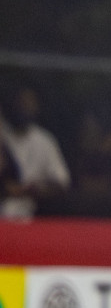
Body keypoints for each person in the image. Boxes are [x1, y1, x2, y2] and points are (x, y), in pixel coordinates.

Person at [0, 88, 71, 220]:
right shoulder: (3, 135)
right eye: (20, 104)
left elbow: (62, 184)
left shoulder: (45, 141)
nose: (23, 109)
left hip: (30, 220)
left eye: (28, 105)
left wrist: (35, 190)